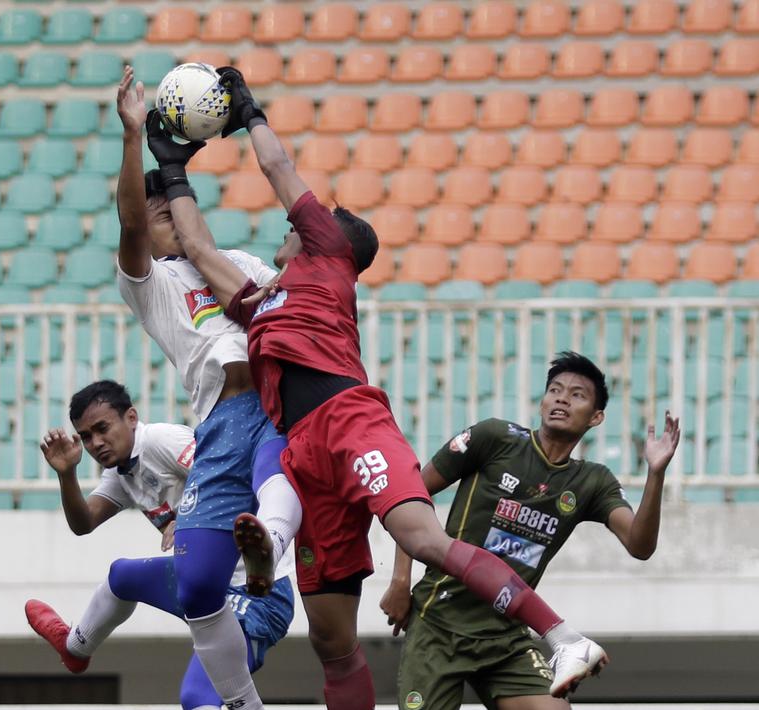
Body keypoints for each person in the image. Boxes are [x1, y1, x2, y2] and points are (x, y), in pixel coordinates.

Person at [145, 67, 610, 708]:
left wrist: (250, 112)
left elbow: (280, 169)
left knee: (421, 538)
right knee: (331, 641)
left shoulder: (328, 256)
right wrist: (172, 169)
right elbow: (195, 245)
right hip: (305, 450)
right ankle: (270, 549)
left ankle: (563, 636)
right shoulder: (264, 302)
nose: (296, 221)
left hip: (351, 419)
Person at [112, 65, 303, 710]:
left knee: (286, 478)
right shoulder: (155, 285)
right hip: (221, 417)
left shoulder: (242, 264)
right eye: (158, 214)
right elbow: (133, 227)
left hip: (279, 404)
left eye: (174, 207)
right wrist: (136, 137)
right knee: (196, 588)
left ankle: (271, 554)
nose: (166, 216)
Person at [381, 353, 680, 709]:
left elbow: (640, 545)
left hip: (504, 636)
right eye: (555, 390)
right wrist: (400, 581)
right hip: (438, 624)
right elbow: (411, 494)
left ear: (597, 417)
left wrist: (656, 474)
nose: (562, 399)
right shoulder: (494, 438)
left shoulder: (592, 481)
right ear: (542, 401)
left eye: (577, 395)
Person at [24, 380, 294, 710]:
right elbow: (83, 523)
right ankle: (75, 648)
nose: (96, 443)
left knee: (198, 698)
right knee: (121, 576)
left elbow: (228, 477)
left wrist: (189, 521)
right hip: (202, 584)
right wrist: (67, 475)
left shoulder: (162, 441)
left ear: (132, 418)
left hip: (254, 592)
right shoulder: (120, 472)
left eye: (102, 428)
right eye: (86, 436)